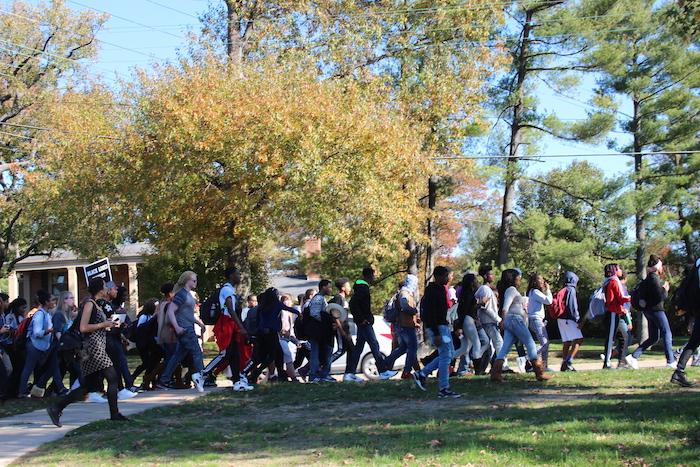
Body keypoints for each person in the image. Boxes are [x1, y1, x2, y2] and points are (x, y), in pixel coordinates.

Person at [47, 277, 129, 426]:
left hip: (96, 346)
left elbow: (96, 325)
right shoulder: (89, 304)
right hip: (92, 347)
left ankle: (57, 407)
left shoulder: (97, 305)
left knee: (88, 385)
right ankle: (115, 414)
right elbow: (83, 327)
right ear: (100, 289)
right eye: (104, 286)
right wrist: (104, 324)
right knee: (112, 378)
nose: (106, 289)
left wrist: (109, 325)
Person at [490, 269, 552, 383]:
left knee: (505, 346)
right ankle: (539, 372)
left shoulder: (510, 290)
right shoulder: (511, 290)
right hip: (514, 319)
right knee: (530, 343)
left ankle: (495, 373)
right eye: (518, 277)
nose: (520, 279)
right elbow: (505, 307)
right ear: (513, 278)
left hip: (512, 320)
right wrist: (503, 320)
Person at [412, 266, 460, 398]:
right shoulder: (433, 291)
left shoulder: (439, 290)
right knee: (446, 356)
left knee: (449, 354)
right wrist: (436, 332)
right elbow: (430, 313)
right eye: (445, 276)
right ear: (438, 276)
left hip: (442, 326)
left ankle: (422, 374)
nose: (448, 278)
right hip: (438, 328)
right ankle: (443, 388)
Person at [156, 271, 207, 392]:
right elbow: (171, 311)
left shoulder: (188, 295)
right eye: (194, 280)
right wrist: (177, 327)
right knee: (197, 353)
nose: (196, 282)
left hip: (188, 326)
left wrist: (199, 323)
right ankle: (202, 378)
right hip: (185, 329)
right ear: (187, 281)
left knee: (178, 355)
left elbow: (187, 314)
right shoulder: (181, 294)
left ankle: (163, 380)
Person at [626, 255, 675, 369]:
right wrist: (665, 290)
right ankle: (670, 361)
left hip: (648, 311)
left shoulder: (648, 279)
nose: (662, 268)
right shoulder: (655, 279)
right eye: (661, 266)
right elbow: (659, 296)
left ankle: (633, 357)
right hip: (657, 310)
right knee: (667, 333)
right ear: (658, 267)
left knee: (654, 337)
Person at [207, 268, 251, 391]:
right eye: (237, 273)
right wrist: (241, 327)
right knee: (226, 353)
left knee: (235, 354)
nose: (240, 276)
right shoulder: (227, 289)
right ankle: (203, 373)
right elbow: (230, 310)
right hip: (228, 324)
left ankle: (237, 381)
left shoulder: (230, 290)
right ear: (231, 276)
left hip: (231, 324)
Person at [346, 267, 394, 380]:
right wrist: (361, 319)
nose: (374, 277)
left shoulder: (361, 287)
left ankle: (349, 373)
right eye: (374, 275)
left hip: (363, 323)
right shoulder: (363, 288)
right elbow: (353, 304)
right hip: (364, 323)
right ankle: (383, 371)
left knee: (359, 348)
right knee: (374, 345)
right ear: (369, 276)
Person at [18, 290, 67, 398]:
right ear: (46, 302)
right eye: (51, 300)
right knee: (28, 368)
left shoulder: (47, 314)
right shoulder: (39, 315)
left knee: (54, 366)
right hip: (34, 346)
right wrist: (48, 331)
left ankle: (61, 388)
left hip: (45, 346)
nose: (54, 302)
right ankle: (22, 391)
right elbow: (37, 333)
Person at [247, 287, 299, 384]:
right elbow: (288, 309)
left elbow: (258, 321)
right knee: (272, 356)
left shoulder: (262, 307)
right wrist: (299, 313)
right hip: (272, 333)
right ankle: (255, 374)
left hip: (262, 333)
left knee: (275, 354)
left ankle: (280, 375)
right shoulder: (276, 304)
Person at [383, 274, 420, 380]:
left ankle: (384, 363)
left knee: (403, 348)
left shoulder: (404, 292)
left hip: (402, 325)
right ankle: (406, 372)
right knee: (412, 348)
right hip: (406, 326)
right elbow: (404, 305)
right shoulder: (405, 293)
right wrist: (414, 310)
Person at [671, 258, 700, 387]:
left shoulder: (697, 264)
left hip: (697, 307)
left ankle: (679, 372)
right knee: (694, 341)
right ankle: (679, 372)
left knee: (694, 341)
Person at [305, 280, 337, 383]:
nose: (330, 289)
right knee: (315, 353)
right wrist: (325, 323)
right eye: (329, 287)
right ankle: (314, 376)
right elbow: (314, 314)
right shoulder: (318, 298)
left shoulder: (321, 298)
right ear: (323, 287)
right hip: (317, 331)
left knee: (318, 353)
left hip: (319, 331)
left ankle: (320, 375)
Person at [476, 265, 506, 372]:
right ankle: (502, 366)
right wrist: (499, 319)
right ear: (485, 276)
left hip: (489, 321)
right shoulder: (485, 289)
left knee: (490, 346)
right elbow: (487, 308)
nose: (492, 276)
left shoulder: (487, 289)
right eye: (490, 274)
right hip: (488, 322)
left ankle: (484, 366)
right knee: (499, 343)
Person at [602, 264, 632, 369]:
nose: (620, 270)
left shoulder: (608, 281)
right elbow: (621, 297)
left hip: (615, 313)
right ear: (614, 270)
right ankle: (607, 363)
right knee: (611, 338)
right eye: (618, 268)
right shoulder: (614, 281)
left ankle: (622, 362)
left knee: (624, 337)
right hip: (613, 313)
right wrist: (632, 298)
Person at [130, 298, 163, 390]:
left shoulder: (154, 316)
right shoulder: (144, 316)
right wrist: (153, 319)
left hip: (151, 344)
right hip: (143, 344)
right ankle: (134, 378)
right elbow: (140, 329)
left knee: (152, 363)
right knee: (147, 363)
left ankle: (151, 382)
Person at [330, 278, 359, 382]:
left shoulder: (344, 299)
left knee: (350, 350)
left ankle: (349, 374)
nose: (350, 288)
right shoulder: (338, 298)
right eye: (348, 286)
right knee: (341, 350)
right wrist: (340, 329)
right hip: (341, 329)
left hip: (346, 328)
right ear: (342, 288)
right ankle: (322, 368)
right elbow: (334, 313)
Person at [52, 291, 81, 388]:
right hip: (62, 347)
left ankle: (57, 389)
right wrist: (64, 346)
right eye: (71, 298)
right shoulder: (59, 314)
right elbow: (58, 332)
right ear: (64, 300)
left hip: (68, 346)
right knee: (73, 368)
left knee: (63, 369)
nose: (73, 300)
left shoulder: (68, 314)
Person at [556, 272, 584, 371]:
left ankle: (564, 364)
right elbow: (572, 306)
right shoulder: (571, 290)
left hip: (560, 318)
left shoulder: (563, 289)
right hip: (569, 318)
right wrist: (577, 319)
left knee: (566, 341)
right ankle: (569, 361)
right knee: (579, 339)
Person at [526, 273, 553, 371]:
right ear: (534, 281)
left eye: (542, 279)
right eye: (540, 279)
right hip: (536, 320)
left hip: (536, 320)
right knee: (545, 343)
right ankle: (528, 356)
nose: (542, 281)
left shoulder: (533, 292)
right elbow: (549, 301)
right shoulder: (535, 292)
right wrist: (548, 290)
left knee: (546, 343)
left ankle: (544, 366)